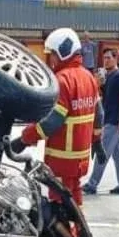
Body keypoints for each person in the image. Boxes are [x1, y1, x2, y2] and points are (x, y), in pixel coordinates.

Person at [10, 28, 103, 206]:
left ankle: (71, 234)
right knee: (74, 204)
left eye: (53, 53)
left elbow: (53, 121)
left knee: (61, 207)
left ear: (63, 51)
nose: (51, 59)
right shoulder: (88, 77)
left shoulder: (62, 80)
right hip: (80, 158)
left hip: (62, 159)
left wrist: (24, 139)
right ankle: (78, 234)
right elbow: (99, 113)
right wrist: (97, 140)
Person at [84, 48, 119, 196]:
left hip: (114, 121)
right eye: (104, 58)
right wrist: (98, 83)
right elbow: (102, 96)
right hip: (108, 118)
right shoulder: (108, 75)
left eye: (109, 58)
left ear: (116, 59)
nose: (106, 60)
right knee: (118, 154)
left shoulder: (118, 75)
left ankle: (92, 184)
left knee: (102, 153)